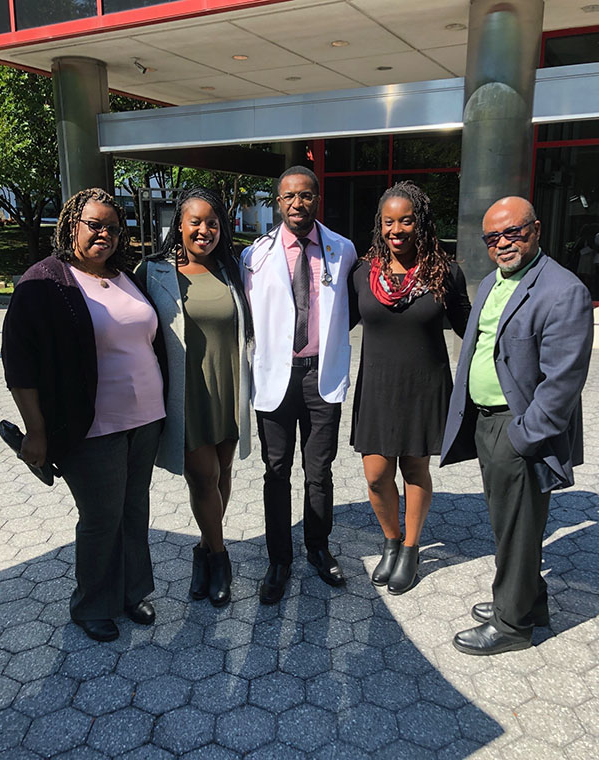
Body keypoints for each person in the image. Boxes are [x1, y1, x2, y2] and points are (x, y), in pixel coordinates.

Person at [2, 188, 168, 642]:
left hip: (145, 420)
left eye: (113, 227)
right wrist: (35, 431)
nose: (104, 234)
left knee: (134, 509)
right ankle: (90, 604)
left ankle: (132, 592)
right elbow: (18, 363)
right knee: (100, 516)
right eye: (93, 224)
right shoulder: (46, 281)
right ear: (71, 223)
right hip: (91, 426)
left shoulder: (124, 276)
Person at [441, 196, 593, 656]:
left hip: (519, 428)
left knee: (518, 526)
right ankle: (530, 601)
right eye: (493, 237)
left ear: (537, 230)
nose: (503, 243)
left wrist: (523, 435)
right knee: (512, 525)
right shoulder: (491, 282)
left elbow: (563, 380)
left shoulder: (563, 290)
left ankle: (511, 624)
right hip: (487, 423)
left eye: (514, 232)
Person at [241, 166, 357, 604]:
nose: (297, 204)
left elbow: (351, 307)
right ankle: (279, 558)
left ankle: (318, 548)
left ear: (316, 199)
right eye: (288, 196)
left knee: (320, 471)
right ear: (278, 201)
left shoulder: (342, 250)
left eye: (305, 196)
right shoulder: (255, 256)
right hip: (276, 377)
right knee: (276, 471)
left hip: (320, 376)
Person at [349, 181, 471, 593]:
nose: (396, 229)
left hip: (424, 385)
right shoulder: (364, 273)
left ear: (420, 223)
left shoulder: (445, 272)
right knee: (376, 475)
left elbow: (469, 328)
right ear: (379, 225)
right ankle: (391, 539)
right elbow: (334, 324)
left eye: (406, 220)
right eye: (389, 221)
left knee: (414, 469)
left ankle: (412, 548)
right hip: (378, 388)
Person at [137, 186, 252, 608]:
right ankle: (220, 560)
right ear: (179, 227)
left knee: (222, 474)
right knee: (203, 477)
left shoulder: (232, 269)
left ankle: (203, 551)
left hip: (229, 388)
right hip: (186, 395)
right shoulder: (154, 272)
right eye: (195, 222)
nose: (204, 230)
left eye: (212, 223)